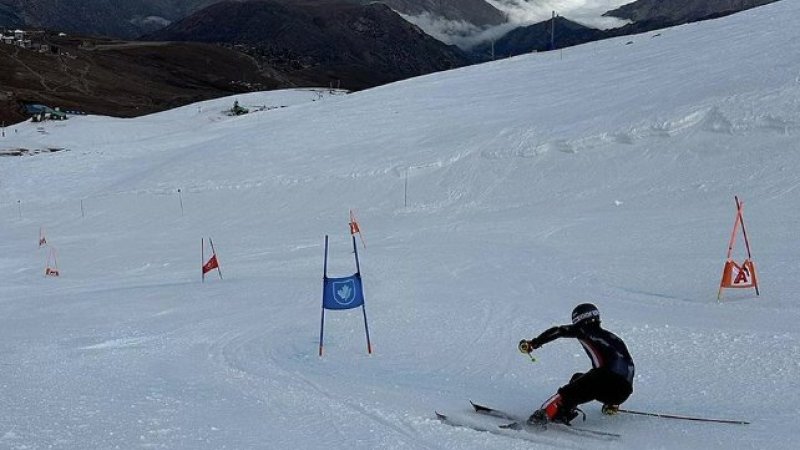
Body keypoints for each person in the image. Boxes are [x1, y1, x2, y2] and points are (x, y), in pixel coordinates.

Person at [518, 303, 635, 425]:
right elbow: (627, 367)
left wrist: (533, 343)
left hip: (605, 380)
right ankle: (610, 406)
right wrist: (614, 401)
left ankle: (540, 417)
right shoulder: (612, 337)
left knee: (566, 393)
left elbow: (559, 331)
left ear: (578, 319)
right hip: (622, 392)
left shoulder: (584, 329)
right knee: (578, 378)